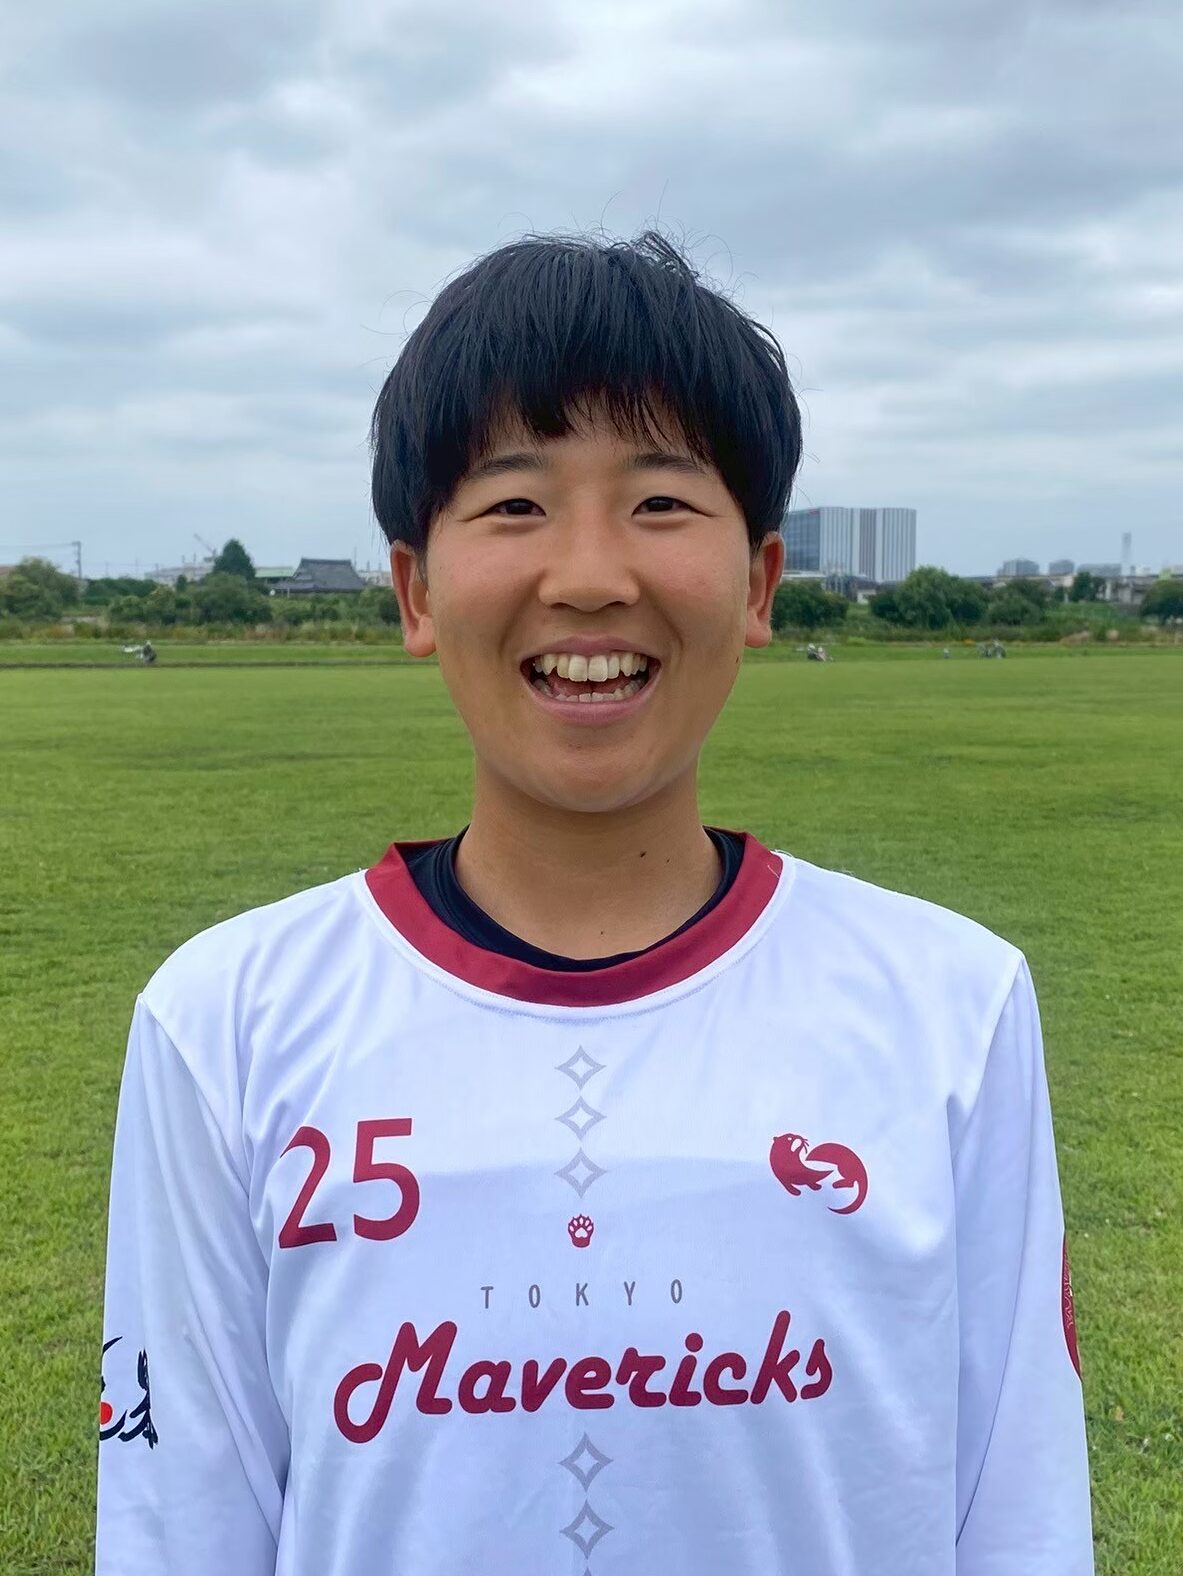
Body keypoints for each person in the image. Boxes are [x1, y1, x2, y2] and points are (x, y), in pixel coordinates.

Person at [97, 231, 1093, 1574]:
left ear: (758, 584)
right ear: (414, 590)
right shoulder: (224, 1021)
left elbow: (1021, 1512)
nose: (588, 575)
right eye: (514, 504)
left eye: (661, 501)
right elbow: (178, 1528)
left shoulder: (954, 1005)